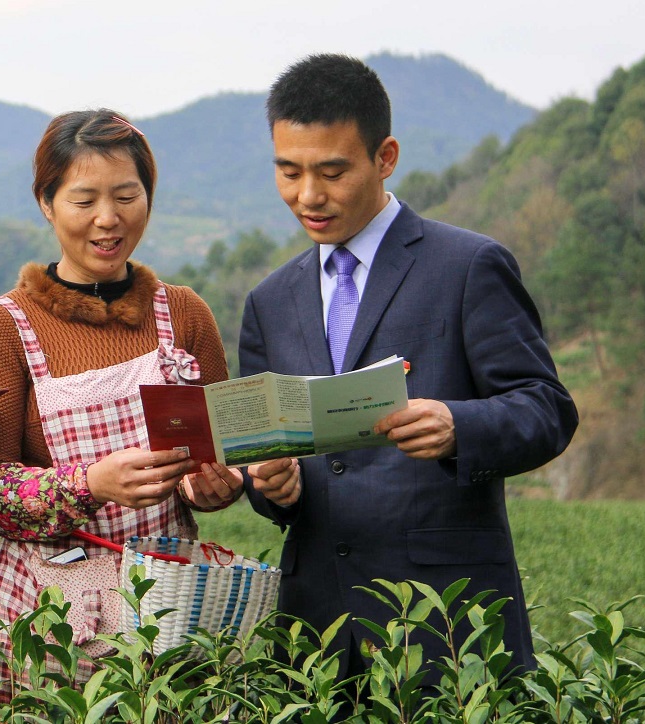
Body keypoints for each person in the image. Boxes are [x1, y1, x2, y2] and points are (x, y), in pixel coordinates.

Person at [240, 54, 578, 681]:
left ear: (385, 156)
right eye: (288, 172)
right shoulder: (269, 302)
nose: (307, 195)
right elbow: (273, 470)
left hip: (447, 622)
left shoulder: (468, 266)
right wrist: (271, 488)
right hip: (317, 633)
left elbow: (546, 407)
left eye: (332, 171)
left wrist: (459, 425)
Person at [0, 110, 243, 695]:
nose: (108, 220)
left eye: (126, 196)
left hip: (171, 611)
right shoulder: (3, 327)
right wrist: (89, 485)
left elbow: (220, 454)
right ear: (46, 202)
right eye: (84, 200)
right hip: (50, 622)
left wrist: (217, 483)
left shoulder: (185, 315)